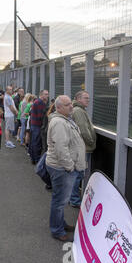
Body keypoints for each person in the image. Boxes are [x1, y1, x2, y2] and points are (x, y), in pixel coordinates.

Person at [45, 95, 86, 242]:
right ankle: (57, 230)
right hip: (62, 168)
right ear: (59, 107)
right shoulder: (59, 123)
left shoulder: (64, 120)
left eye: (71, 104)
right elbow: (61, 148)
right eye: (67, 104)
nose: (71, 106)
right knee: (60, 201)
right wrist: (70, 167)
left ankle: (60, 224)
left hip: (62, 167)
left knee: (60, 199)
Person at [70, 91, 96, 208]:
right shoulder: (79, 111)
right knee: (78, 174)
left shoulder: (79, 110)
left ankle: (73, 198)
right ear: (78, 99)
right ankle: (74, 200)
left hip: (82, 146)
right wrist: (91, 141)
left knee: (77, 174)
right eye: (86, 98)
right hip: (83, 147)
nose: (88, 100)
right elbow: (83, 129)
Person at [29, 90, 49, 164]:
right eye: (46, 94)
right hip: (37, 126)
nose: (47, 96)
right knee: (37, 143)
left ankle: (33, 159)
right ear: (41, 95)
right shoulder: (40, 103)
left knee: (33, 142)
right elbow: (40, 116)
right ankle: (37, 160)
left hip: (33, 125)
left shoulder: (36, 101)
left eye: (48, 94)